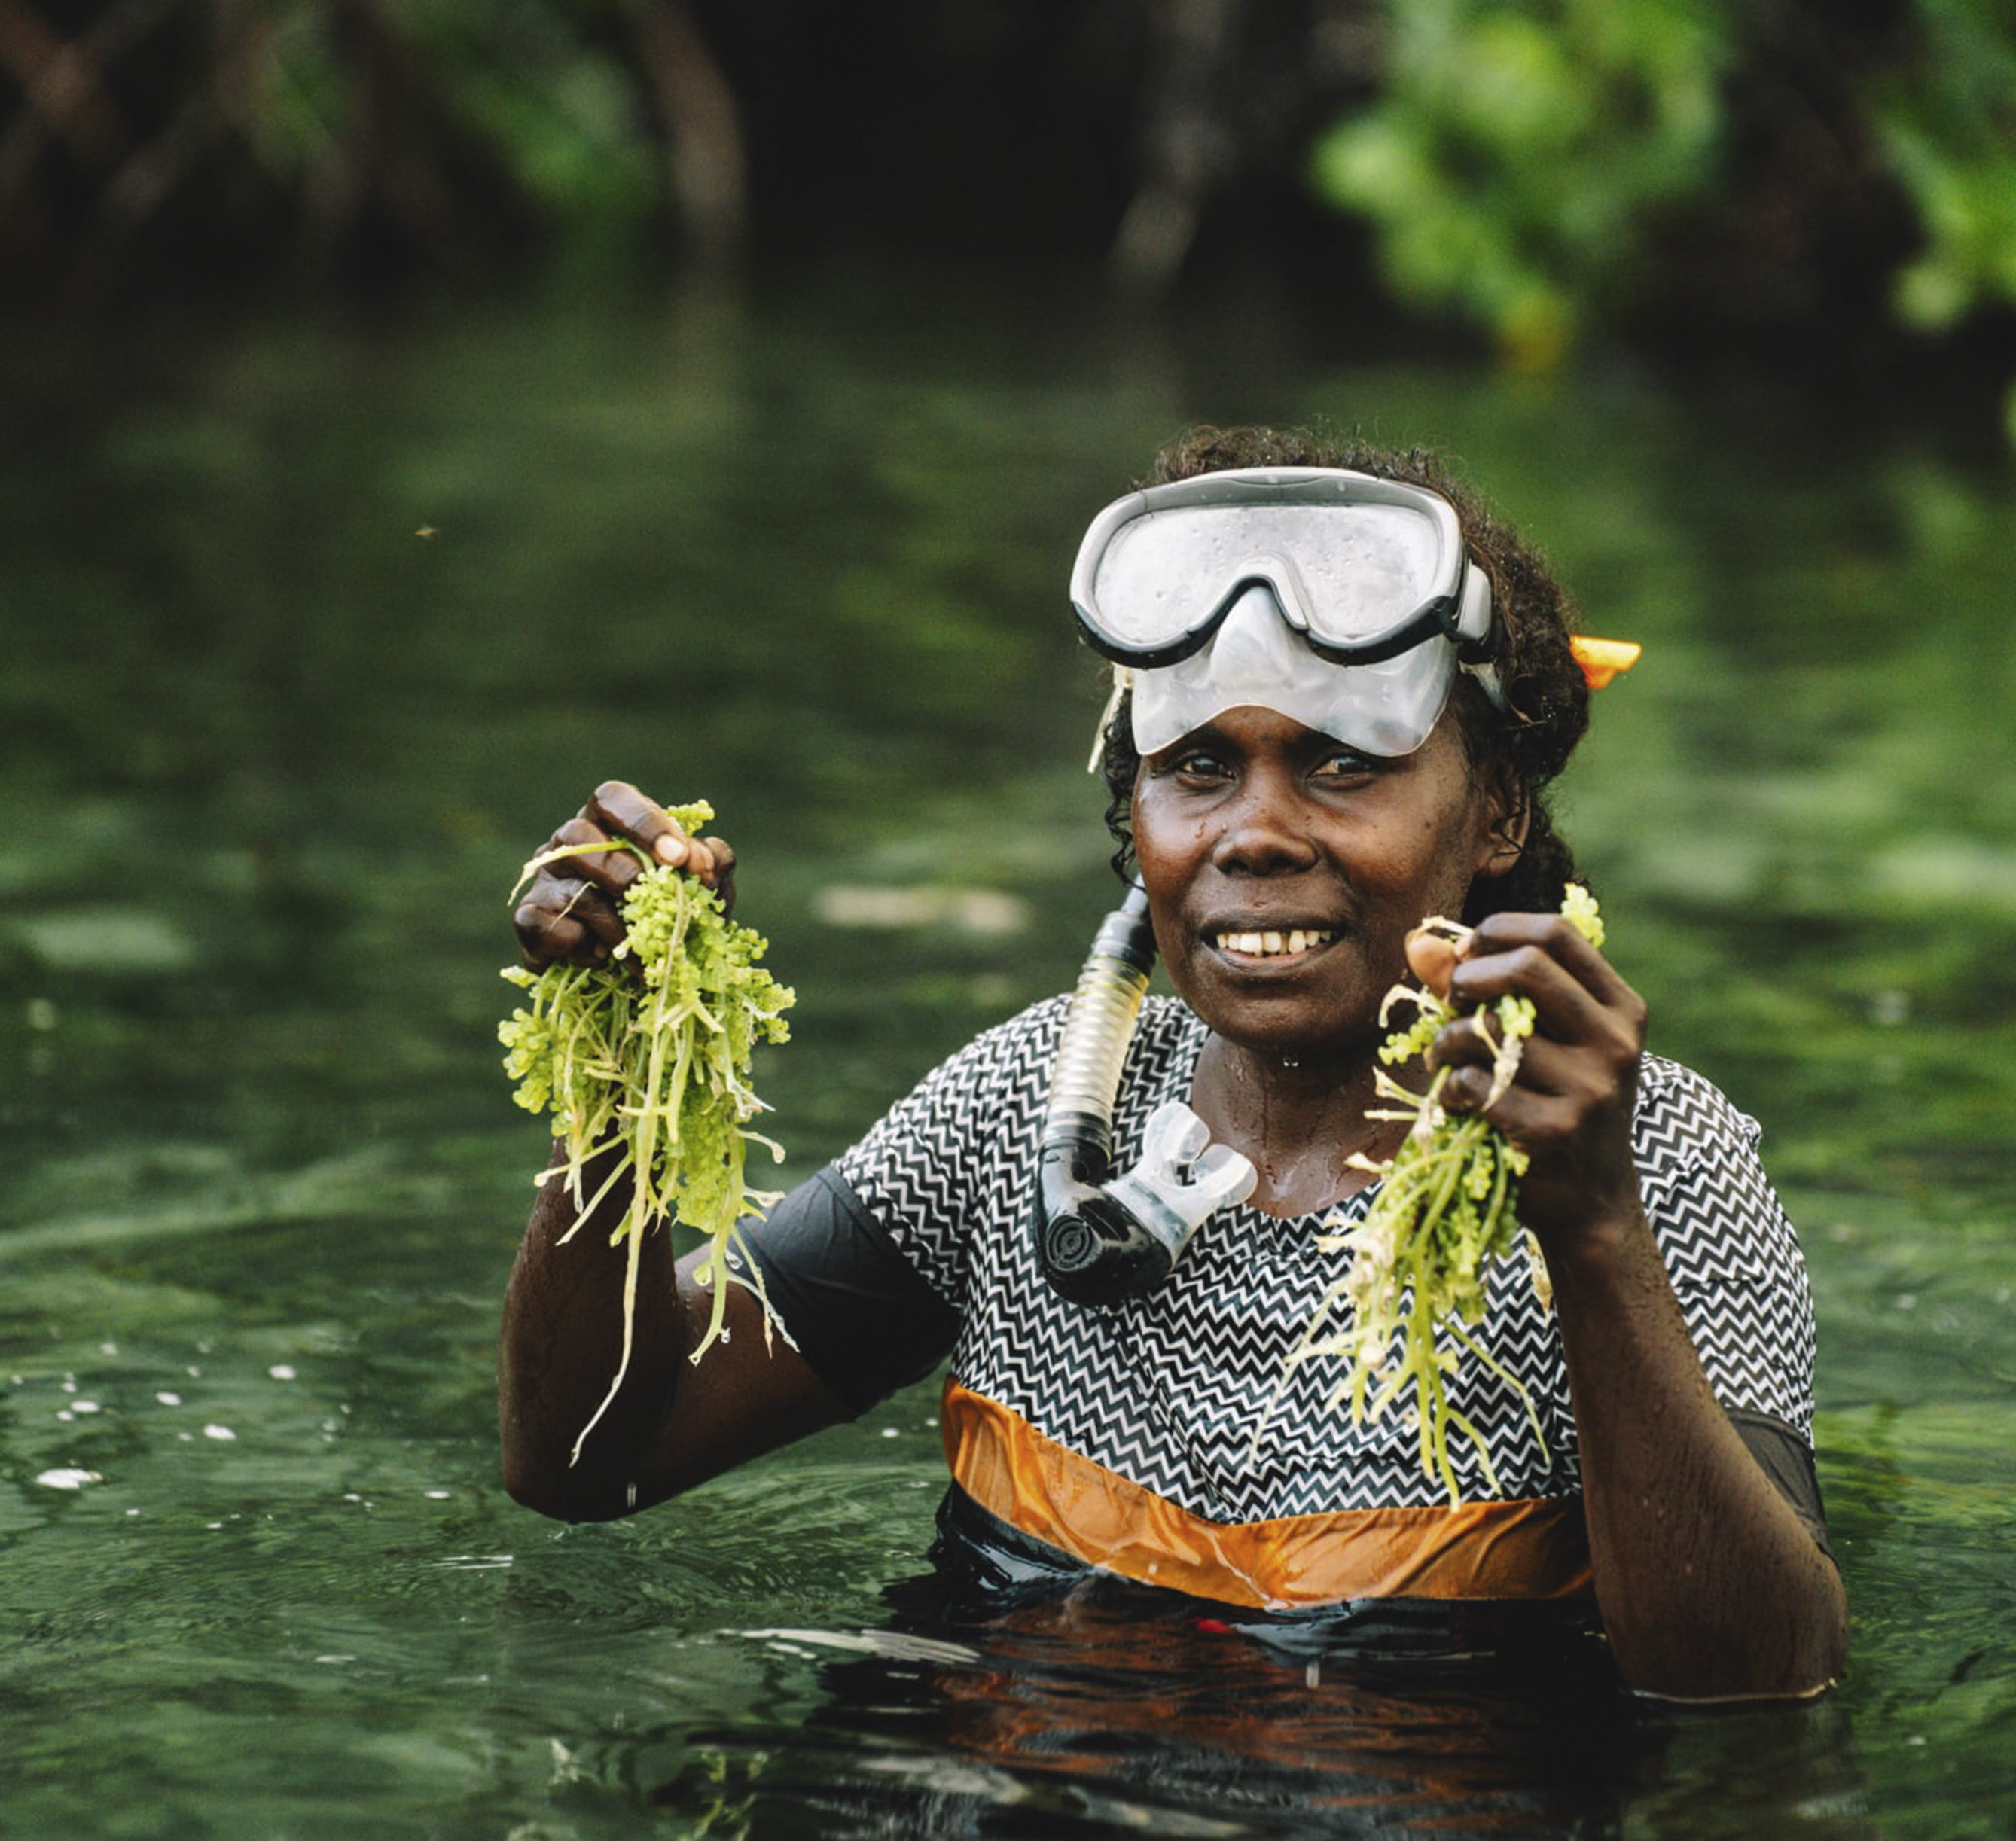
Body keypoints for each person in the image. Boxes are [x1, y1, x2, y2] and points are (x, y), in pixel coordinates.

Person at [497, 424, 1846, 1701]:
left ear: (1493, 809)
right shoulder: (1029, 1106)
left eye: (1336, 763)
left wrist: (1592, 1230)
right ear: (1134, 808)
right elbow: (586, 1455)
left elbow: (1752, 1685)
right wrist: (618, 1080)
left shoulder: (1652, 1158)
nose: (1252, 831)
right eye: (1198, 765)